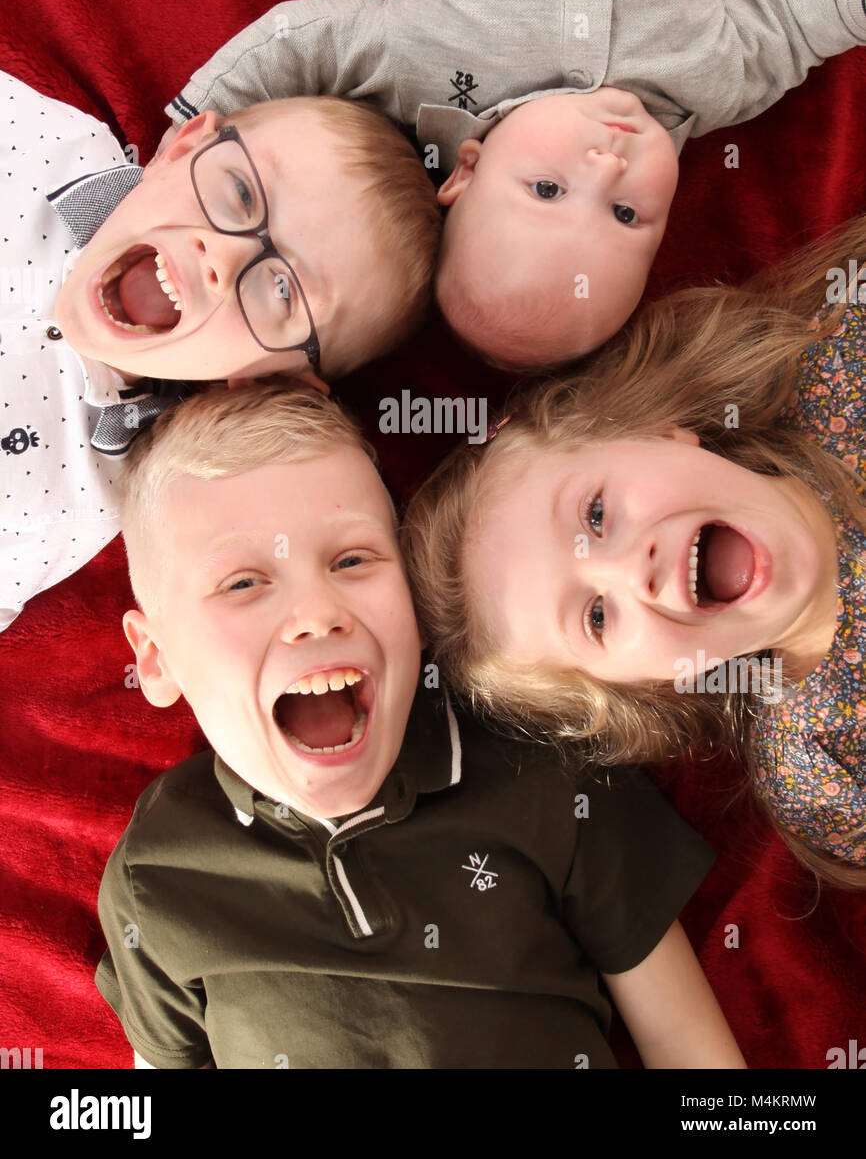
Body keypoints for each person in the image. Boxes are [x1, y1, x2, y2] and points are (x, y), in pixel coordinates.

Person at [95, 382, 746, 1069]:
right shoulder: (158, 869)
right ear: (156, 660)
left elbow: (685, 1043)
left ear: (418, 608)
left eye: (352, 560)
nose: (319, 611)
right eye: (243, 583)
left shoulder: (542, 774)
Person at [163, 0, 866, 367]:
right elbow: (795, 9)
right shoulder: (709, 79)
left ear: (466, 169)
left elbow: (306, 42)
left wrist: (200, 112)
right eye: (626, 214)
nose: (606, 164)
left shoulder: (425, 75)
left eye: (548, 188)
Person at [402, 217, 866, 888]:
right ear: (652, 688)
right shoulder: (822, 769)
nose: (629, 568)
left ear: (660, 430)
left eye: (596, 513)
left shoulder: (846, 343)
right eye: (595, 617)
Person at [0, 71, 440, 631]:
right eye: (240, 192)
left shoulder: (86, 503)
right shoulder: (46, 147)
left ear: (267, 381)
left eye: (284, 292)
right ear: (184, 145)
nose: (223, 258)